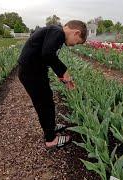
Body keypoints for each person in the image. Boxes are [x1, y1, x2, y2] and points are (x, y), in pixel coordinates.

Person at [18, 20, 87, 150]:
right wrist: (64, 71)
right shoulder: (58, 32)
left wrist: (64, 79)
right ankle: (51, 139)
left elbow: (47, 56)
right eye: (77, 42)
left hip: (35, 71)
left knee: (48, 100)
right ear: (76, 32)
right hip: (31, 73)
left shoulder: (55, 32)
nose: (73, 45)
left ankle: (51, 126)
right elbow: (48, 54)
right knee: (44, 104)